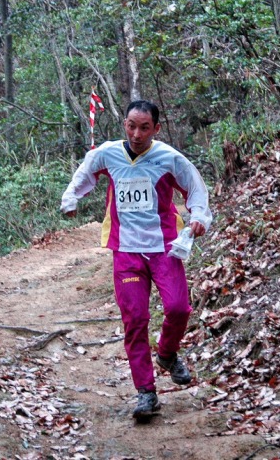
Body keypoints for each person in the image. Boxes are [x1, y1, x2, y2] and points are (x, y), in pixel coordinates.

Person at [60, 100, 212, 421]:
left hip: (164, 247)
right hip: (126, 250)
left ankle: (167, 353)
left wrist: (199, 216)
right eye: (131, 126)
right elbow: (86, 170)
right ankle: (146, 392)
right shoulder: (108, 153)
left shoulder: (169, 158)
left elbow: (195, 188)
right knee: (135, 319)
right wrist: (71, 197)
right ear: (124, 125)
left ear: (156, 129)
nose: (137, 134)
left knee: (178, 308)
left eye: (144, 128)